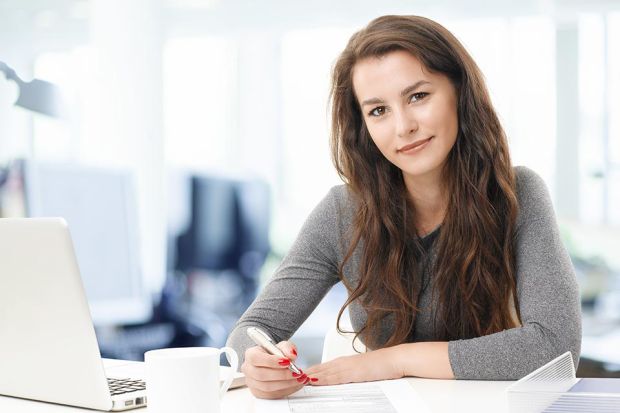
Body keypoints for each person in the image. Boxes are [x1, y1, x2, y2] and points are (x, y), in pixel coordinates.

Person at [226, 14, 581, 399]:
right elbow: (252, 329)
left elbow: (555, 349)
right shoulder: (343, 211)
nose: (403, 126)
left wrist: (392, 361)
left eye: (418, 96)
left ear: (459, 93)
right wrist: (258, 363)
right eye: (378, 110)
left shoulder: (518, 193)